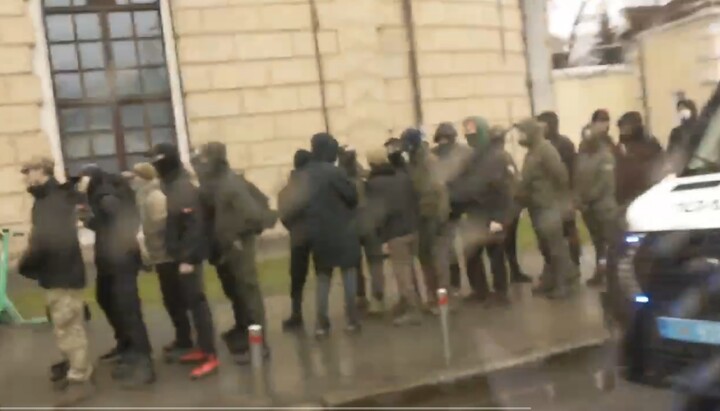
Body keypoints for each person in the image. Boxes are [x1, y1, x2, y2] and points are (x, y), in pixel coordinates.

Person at [18, 157, 94, 405]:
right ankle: (74, 366)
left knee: (69, 327)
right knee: (65, 326)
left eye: (28, 171)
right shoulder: (47, 199)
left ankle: (79, 379)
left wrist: (25, 264)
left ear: (42, 171)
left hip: (62, 274)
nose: (25, 177)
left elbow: (47, 241)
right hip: (57, 274)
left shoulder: (52, 200)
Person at [194, 142, 271, 364]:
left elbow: (255, 214)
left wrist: (238, 236)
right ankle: (242, 330)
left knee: (248, 293)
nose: (201, 163)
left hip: (238, 247)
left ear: (215, 159)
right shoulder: (214, 182)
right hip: (224, 246)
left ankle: (260, 345)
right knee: (235, 291)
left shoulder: (231, 182)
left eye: (204, 158)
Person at [78, 165, 154, 388]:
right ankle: (126, 344)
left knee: (127, 307)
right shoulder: (104, 192)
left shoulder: (106, 195)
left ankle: (143, 361)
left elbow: (118, 222)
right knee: (105, 298)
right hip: (110, 259)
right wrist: (88, 220)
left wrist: (85, 202)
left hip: (120, 260)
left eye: (83, 179)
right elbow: (105, 225)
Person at [149, 143, 219, 379]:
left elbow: (194, 227)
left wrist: (188, 258)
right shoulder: (172, 184)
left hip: (188, 258)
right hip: (179, 256)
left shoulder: (183, 188)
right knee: (190, 303)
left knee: (198, 305)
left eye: (156, 163)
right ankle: (202, 347)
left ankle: (210, 355)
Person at [127, 163, 192, 362]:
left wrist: (160, 249)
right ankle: (182, 338)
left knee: (174, 300)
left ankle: (185, 340)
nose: (132, 181)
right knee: (170, 299)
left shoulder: (155, 197)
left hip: (167, 256)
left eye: (135, 176)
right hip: (160, 255)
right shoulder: (145, 196)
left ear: (143, 177)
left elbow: (165, 227)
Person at [450, 117, 514, 306]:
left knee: (495, 254)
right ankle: (480, 289)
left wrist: (500, 218)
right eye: (468, 133)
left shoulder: (498, 157)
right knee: (471, 253)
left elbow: (506, 190)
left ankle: (501, 293)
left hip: (493, 213)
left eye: (474, 133)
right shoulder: (469, 157)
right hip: (474, 213)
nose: (470, 137)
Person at [304, 133, 362, 337]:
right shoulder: (335, 173)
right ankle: (352, 320)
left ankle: (321, 324)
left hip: (318, 232)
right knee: (348, 275)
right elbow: (352, 196)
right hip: (342, 231)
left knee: (322, 278)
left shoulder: (306, 174)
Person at [514, 118, 576, 299]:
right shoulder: (532, 152)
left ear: (532, 132)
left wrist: (557, 199)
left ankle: (564, 283)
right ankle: (550, 280)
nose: (520, 137)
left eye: (523, 132)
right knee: (545, 247)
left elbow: (561, 175)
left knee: (556, 247)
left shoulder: (546, 150)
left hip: (549, 206)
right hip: (536, 206)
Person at [365, 147, 421, 325]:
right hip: (412, 227)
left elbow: (376, 213)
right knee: (410, 268)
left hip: (394, 232)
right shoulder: (403, 177)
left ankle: (413, 310)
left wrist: (379, 236)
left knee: (402, 272)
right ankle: (407, 302)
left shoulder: (373, 184)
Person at [400, 127, 452, 312]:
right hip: (422, 216)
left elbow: (441, 190)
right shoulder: (415, 162)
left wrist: (441, 216)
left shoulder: (429, 162)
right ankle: (432, 296)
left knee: (437, 259)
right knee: (425, 257)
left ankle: (443, 299)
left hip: (434, 216)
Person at [338, 145, 385, 314]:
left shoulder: (340, 180)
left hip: (350, 227)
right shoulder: (365, 176)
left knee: (355, 264)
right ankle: (378, 297)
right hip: (370, 223)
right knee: (375, 261)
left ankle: (360, 297)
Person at [430, 122, 474, 299]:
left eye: (445, 138)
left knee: (460, 247)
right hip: (450, 207)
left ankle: (461, 284)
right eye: (441, 139)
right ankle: (456, 284)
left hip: (456, 205)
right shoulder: (436, 155)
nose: (443, 142)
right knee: (451, 249)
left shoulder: (463, 153)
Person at [537, 111, 581, 275]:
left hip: (562, 195)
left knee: (568, 231)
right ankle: (556, 266)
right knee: (552, 235)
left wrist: (571, 193)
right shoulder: (543, 145)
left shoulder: (562, 144)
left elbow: (571, 169)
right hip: (551, 196)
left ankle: (574, 264)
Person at [575, 125, 619, 287]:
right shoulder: (583, 156)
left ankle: (610, 274)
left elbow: (604, 183)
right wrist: (579, 198)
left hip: (603, 206)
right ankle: (600, 272)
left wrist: (589, 197)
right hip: (588, 208)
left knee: (608, 242)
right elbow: (578, 179)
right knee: (597, 242)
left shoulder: (606, 156)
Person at [489, 126, 532, 284]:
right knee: (505, 242)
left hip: (502, 206)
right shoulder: (503, 157)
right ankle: (510, 274)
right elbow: (513, 179)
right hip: (506, 206)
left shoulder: (494, 157)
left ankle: (511, 273)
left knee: (506, 242)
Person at [278, 149, 313, 330]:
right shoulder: (314, 183)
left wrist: (293, 227)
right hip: (317, 233)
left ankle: (296, 313)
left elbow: (283, 215)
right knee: (324, 272)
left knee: (297, 277)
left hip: (298, 237)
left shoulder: (289, 187)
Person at [615, 111, 664, 209]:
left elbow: (660, 163)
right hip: (627, 197)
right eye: (621, 127)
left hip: (649, 192)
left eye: (626, 126)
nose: (623, 130)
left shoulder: (650, 143)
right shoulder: (620, 147)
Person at [667, 99, 699, 173]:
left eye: (684, 109)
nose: (682, 112)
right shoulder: (676, 132)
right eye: (679, 110)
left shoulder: (700, 128)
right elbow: (671, 151)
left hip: (698, 166)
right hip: (681, 168)